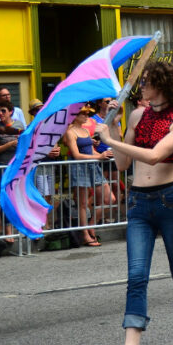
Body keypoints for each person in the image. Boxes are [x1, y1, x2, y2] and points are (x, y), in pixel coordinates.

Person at [91, 60, 173, 345]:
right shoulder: (137, 115)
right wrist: (113, 126)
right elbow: (123, 164)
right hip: (138, 203)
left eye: (148, 81)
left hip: (170, 200)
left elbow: (154, 155)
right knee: (136, 275)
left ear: (162, 85)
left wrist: (109, 140)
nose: (142, 86)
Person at [63, 105, 112, 246]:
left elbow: (92, 152)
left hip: (91, 165)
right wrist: (99, 157)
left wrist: (105, 155)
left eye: (86, 113)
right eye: (83, 114)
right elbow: (76, 155)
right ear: (75, 116)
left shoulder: (84, 130)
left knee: (108, 197)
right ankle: (85, 234)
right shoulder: (70, 132)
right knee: (83, 203)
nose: (86, 116)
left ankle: (90, 225)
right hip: (79, 167)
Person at [0, 100, 24, 243]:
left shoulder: (19, 125)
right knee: (6, 200)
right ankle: (8, 231)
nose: (0, 114)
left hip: (17, 166)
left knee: (18, 198)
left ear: (11, 111)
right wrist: (11, 144)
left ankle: (20, 228)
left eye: (3, 110)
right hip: (3, 166)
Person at [29, 99, 61, 230]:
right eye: (37, 109)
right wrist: (48, 152)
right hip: (39, 165)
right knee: (41, 195)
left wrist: (56, 150)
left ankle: (46, 221)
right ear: (32, 112)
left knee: (49, 195)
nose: (40, 111)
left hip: (49, 164)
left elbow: (56, 143)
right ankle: (42, 223)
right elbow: (31, 148)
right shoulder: (32, 126)